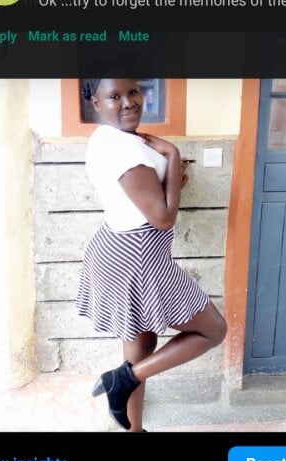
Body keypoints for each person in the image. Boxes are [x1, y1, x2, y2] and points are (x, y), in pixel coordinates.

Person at [77, 79, 227, 432]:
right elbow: (163, 217)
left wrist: (168, 180)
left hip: (117, 247)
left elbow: (144, 197)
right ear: (96, 103)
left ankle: (134, 426)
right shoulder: (127, 151)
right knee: (213, 330)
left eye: (133, 92)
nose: (128, 102)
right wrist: (172, 156)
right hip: (140, 256)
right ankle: (123, 380)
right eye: (114, 96)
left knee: (141, 349)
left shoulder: (106, 137)